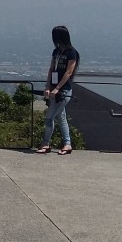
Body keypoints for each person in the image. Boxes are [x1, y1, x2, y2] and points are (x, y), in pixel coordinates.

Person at [36, 26, 78, 155]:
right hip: (54, 88)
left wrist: (58, 88)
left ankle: (46, 143)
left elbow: (68, 73)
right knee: (61, 117)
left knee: (49, 117)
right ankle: (67, 144)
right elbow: (51, 69)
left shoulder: (71, 53)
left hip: (63, 91)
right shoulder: (56, 52)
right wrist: (48, 86)